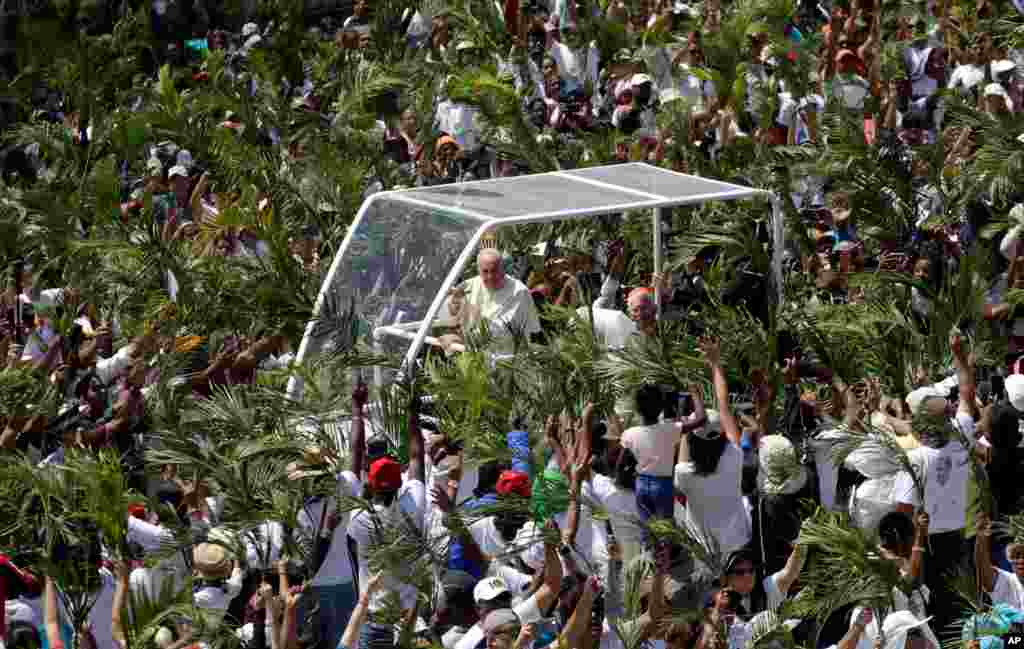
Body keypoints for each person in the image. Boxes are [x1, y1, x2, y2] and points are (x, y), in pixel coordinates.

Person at [440, 249, 541, 351]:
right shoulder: (467, 286)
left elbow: (500, 331)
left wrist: (468, 308)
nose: (490, 276)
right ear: (478, 270)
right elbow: (449, 320)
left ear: (503, 269)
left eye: (494, 270)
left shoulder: (519, 292)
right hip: (475, 355)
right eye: (485, 271)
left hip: (507, 359)